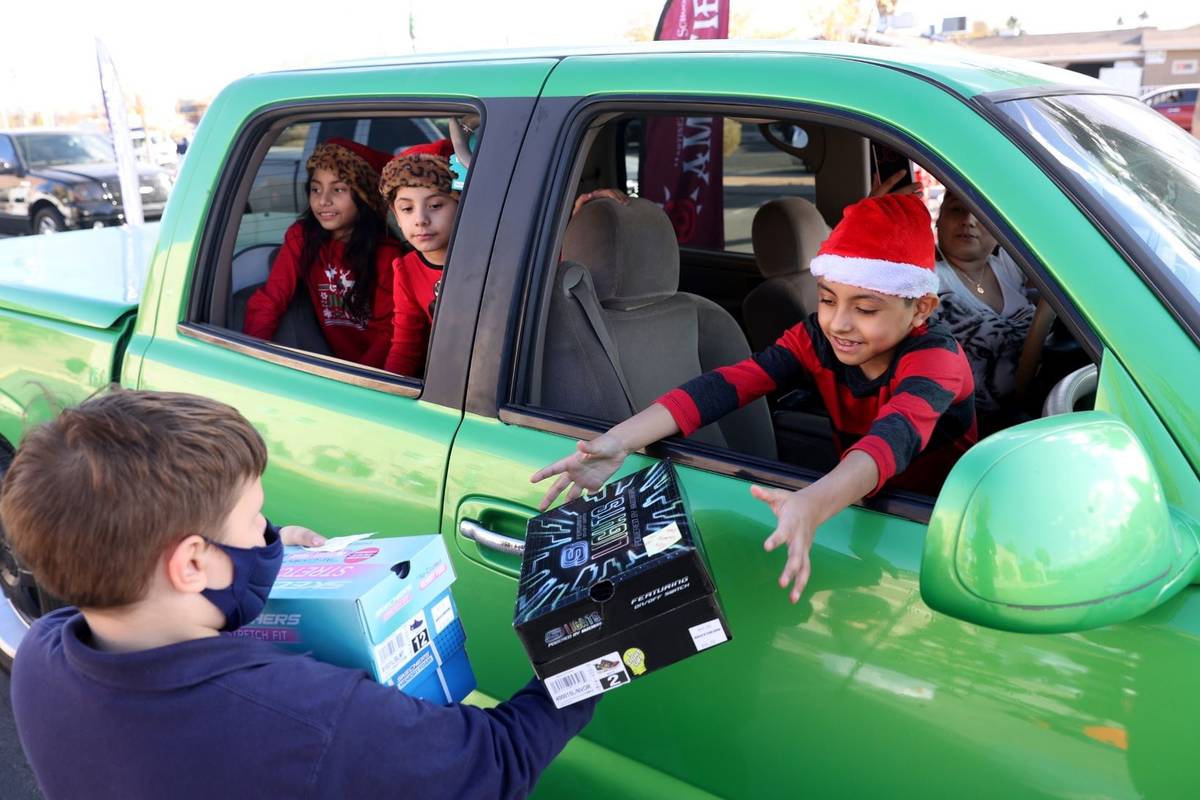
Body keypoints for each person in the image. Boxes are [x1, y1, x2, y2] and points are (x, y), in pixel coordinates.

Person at [1, 390, 597, 800]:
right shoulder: (312, 716)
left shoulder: (42, 654)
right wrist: (595, 647)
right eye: (256, 519)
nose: (268, 537)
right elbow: (495, 762)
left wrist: (248, 555)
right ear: (190, 563)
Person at [531, 194, 976, 604]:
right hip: (860, 509)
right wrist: (618, 441)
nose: (838, 324)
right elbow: (726, 386)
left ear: (920, 309)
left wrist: (812, 502)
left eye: (865, 309)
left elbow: (890, 439)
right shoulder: (817, 339)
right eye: (827, 300)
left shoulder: (936, 358)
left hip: (934, 524)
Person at [244, 138, 402, 369]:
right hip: (331, 368)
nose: (323, 200)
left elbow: (389, 333)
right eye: (316, 189)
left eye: (338, 189)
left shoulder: (387, 254)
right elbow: (271, 299)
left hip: (377, 374)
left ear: (365, 196)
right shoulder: (302, 238)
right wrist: (251, 357)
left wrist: (359, 382)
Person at [932, 191, 1036, 430]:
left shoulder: (1008, 267)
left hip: (1032, 412)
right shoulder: (929, 278)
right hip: (971, 428)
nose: (968, 220)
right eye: (957, 209)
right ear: (939, 220)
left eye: (981, 213)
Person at [380, 139, 460, 376]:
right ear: (395, 214)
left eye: (435, 205)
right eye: (407, 209)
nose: (420, 219)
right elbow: (406, 348)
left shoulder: (490, 256)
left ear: (461, 204)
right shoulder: (406, 270)